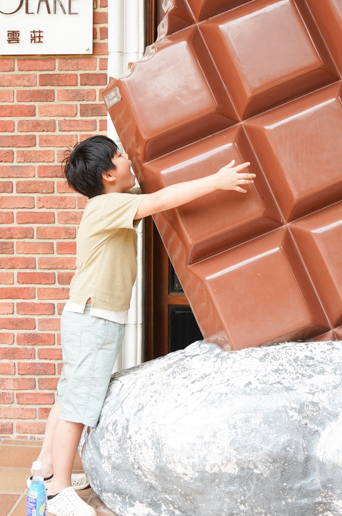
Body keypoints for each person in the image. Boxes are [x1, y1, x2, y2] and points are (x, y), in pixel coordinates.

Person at [35, 134, 255, 516]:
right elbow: (159, 200)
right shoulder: (106, 206)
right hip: (94, 318)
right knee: (79, 406)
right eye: (120, 155)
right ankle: (57, 493)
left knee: (68, 395)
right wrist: (215, 182)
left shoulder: (110, 201)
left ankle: (45, 469)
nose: (127, 159)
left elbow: (156, 189)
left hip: (86, 316)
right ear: (107, 174)